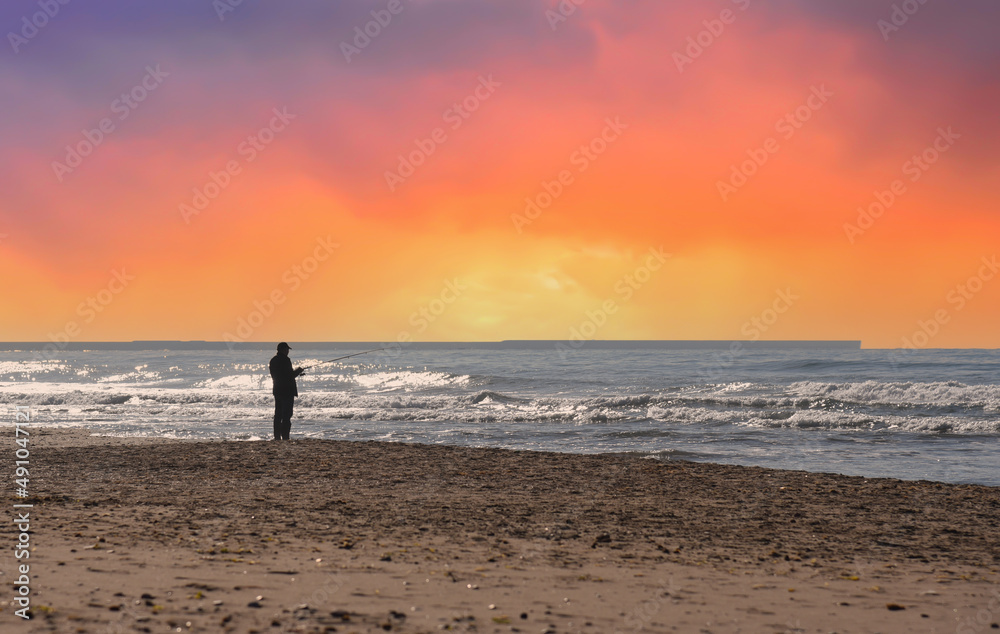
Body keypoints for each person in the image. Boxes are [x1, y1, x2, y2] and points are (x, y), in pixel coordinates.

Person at [269, 342, 305, 440]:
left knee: (278, 415)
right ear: (282, 349)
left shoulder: (273, 360)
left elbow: (279, 375)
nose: (288, 351)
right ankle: (285, 436)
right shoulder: (285, 360)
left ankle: (277, 437)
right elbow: (289, 375)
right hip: (287, 391)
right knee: (287, 415)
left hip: (277, 390)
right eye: (286, 349)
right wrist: (298, 371)